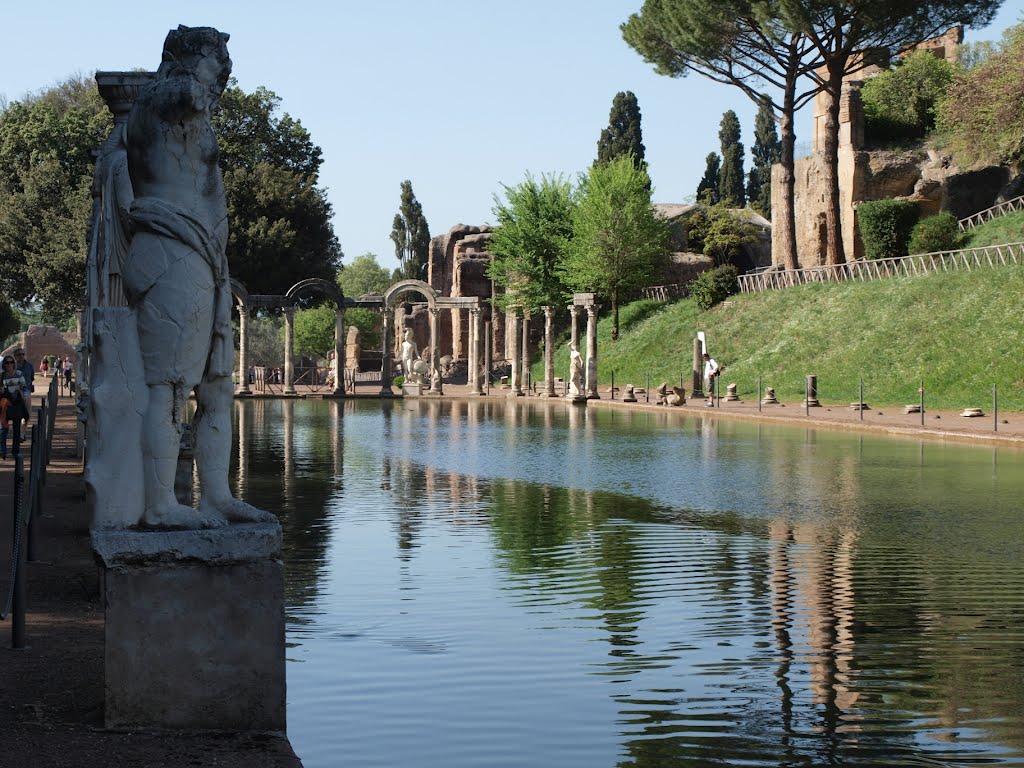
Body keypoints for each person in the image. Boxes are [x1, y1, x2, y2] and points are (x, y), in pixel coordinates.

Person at [122, 25, 272, 529]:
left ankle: (217, 496)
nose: (225, 71)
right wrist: (198, 71)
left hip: (202, 259)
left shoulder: (187, 103)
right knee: (168, 385)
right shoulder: (165, 96)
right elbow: (186, 94)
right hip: (172, 253)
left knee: (216, 384)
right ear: (186, 56)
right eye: (217, 58)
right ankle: (161, 504)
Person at [0, 356, 28, 459]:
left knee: (16, 429)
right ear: (4, 365)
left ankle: (15, 451)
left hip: (16, 403)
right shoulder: (2, 376)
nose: (9, 365)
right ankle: (2, 451)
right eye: (7, 363)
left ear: (14, 363)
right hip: (5, 404)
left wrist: (25, 395)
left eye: (11, 362)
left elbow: (24, 386)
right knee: (4, 428)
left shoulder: (19, 374)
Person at [14, 348, 33, 425]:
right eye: (19, 354)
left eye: (23, 354)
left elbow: (31, 377)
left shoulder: (29, 366)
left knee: (27, 413)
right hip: (14, 391)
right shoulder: (12, 366)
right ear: (15, 356)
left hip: (26, 391)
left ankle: (22, 433)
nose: (21, 356)